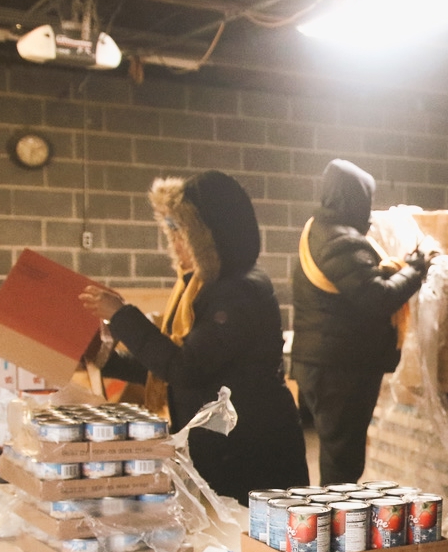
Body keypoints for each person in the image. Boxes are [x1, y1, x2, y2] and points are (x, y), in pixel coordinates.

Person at [80, 170, 309, 504]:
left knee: (250, 543)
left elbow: (186, 368)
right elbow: (171, 361)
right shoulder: (199, 287)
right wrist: (104, 358)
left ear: (212, 235)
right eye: (169, 229)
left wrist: (122, 316)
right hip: (224, 444)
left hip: (251, 451)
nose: (173, 241)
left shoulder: (239, 292)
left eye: (181, 230)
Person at [290, 159, 430, 485]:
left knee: (337, 451)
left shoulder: (318, 230)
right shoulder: (340, 240)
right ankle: (339, 528)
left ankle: (333, 522)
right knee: (343, 461)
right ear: (354, 198)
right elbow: (378, 297)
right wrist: (417, 268)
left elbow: (358, 286)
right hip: (341, 370)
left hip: (325, 364)